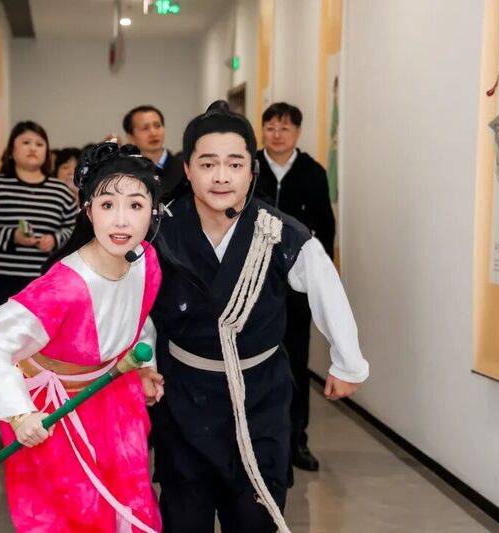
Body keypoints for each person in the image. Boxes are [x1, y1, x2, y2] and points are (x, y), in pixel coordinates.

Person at [150, 101, 369, 533]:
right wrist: (141, 365)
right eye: (207, 163)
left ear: (251, 171)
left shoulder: (279, 232)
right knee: (184, 516)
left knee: (255, 516)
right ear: (187, 169)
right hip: (185, 395)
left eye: (234, 164)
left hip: (259, 396)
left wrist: (348, 362)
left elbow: (327, 288)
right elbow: (139, 307)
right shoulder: (160, 231)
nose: (221, 176)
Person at [0, 142, 166, 533]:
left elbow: (137, 321)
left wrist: (143, 368)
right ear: (88, 211)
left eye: (136, 205)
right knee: (74, 512)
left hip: (114, 393)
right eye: (107, 205)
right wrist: (20, 413)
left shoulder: (147, 261)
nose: (121, 221)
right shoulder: (64, 287)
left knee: (130, 500)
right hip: (56, 408)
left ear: (153, 211)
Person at [256, 102, 337, 472]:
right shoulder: (250, 167)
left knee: (295, 364)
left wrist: (319, 282)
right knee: (254, 365)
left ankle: (296, 441)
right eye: (270, 127)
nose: (276, 135)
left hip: (295, 289)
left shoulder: (312, 173)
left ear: (297, 133)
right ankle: (254, 441)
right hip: (253, 285)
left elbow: (326, 229)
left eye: (284, 128)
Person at [0, 121, 78, 313]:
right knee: (3, 331)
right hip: (1, 280)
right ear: (11, 150)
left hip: (46, 279)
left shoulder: (60, 191)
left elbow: (74, 230)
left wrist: (55, 239)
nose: (33, 148)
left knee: (43, 331)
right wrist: (13, 236)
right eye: (26, 142)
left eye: (39, 144)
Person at [123, 105, 189, 204]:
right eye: (145, 128)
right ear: (131, 137)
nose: (153, 133)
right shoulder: (125, 173)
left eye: (157, 126)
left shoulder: (185, 168)